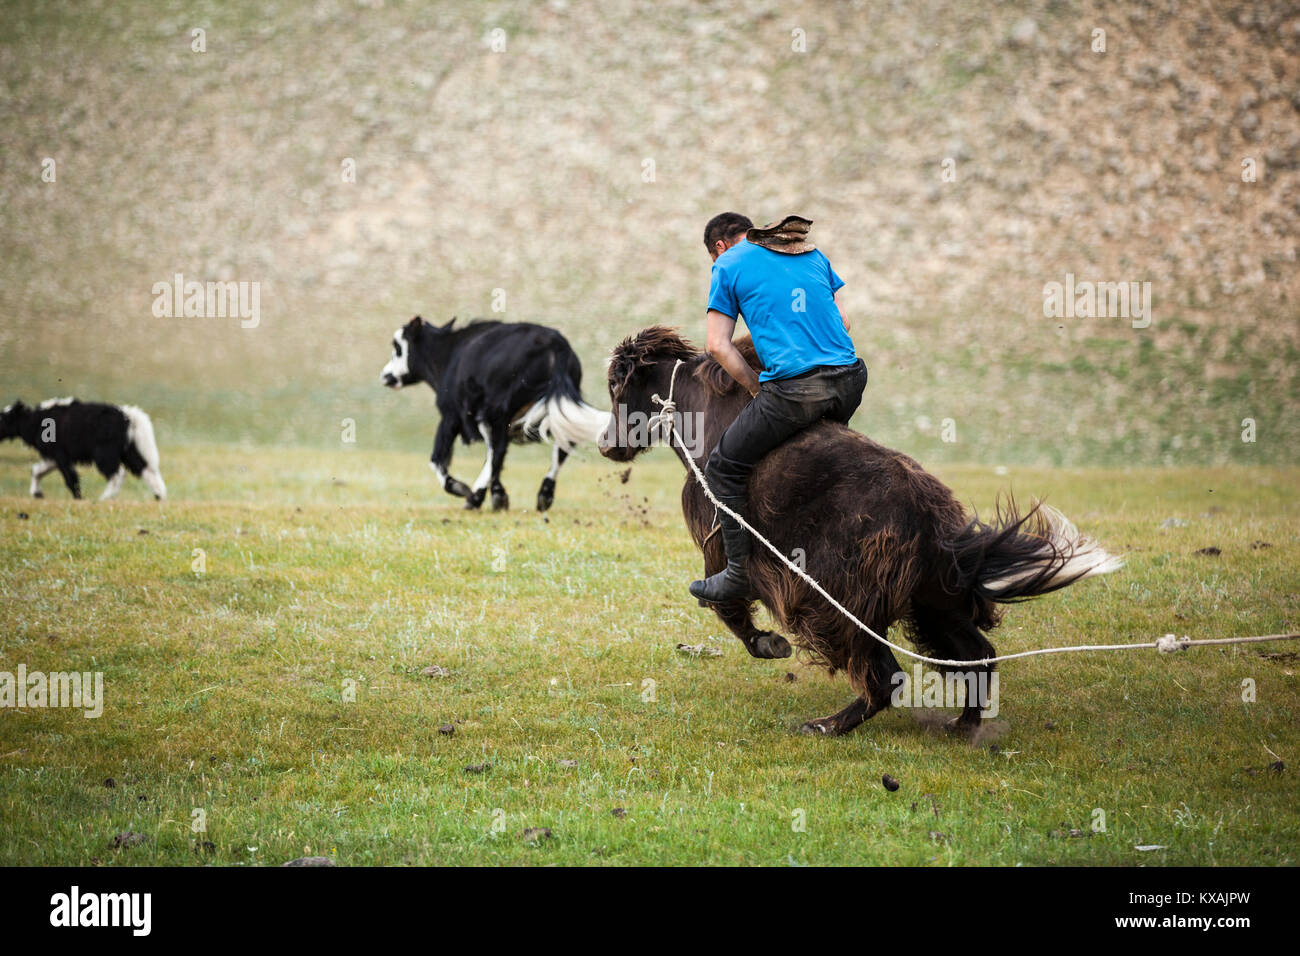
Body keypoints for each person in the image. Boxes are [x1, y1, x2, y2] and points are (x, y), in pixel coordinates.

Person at [690, 212, 868, 603]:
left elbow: (717, 346)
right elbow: (843, 320)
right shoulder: (807, 252)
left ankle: (738, 574)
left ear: (719, 247)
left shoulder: (728, 264)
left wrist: (755, 386)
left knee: (724, 467)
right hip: (852, 379)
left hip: (797, 392)